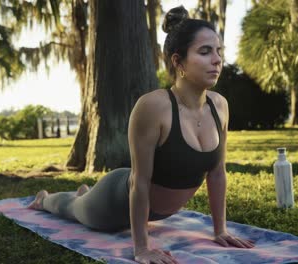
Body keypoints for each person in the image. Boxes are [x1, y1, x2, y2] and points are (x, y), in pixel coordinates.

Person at [27, 6, 255, 264]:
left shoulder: (220, 106)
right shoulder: (154, 106)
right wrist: (142, 248)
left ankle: (83, 192)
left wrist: (220, 230)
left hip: (155, 212)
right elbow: (140, 182)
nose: (217, 60)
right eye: (204, 52)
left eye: (218, 51)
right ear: (178, 62)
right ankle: (45, 199)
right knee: (70, 209)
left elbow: (216, 173)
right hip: (115, 202)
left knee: (80, 200)